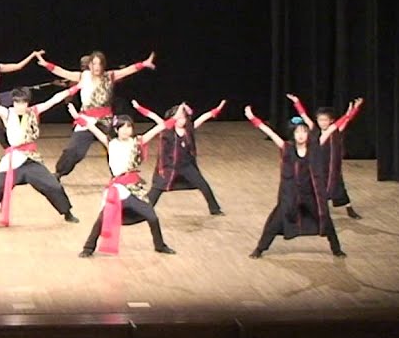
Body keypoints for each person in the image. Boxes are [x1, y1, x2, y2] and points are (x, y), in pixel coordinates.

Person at [0, 81, 82, 226]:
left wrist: (76, 87)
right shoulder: (7, 113)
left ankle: (67, 213)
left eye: (23, 103)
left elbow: (55, 99)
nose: (20, 106)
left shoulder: (34, 111)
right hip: (13, 160)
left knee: (53, 186)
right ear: (13, 102)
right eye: (17, 102)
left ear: (27, 103)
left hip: (31, 159)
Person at [245, 99, 357, 259]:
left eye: (304, 132)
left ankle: (336, 249)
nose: (301, 135)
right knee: (275, 223)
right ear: (293, 134)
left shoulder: (315, 146)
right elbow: (269, 132)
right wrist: (252, 117)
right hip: (289, 195)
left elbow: (333, 127)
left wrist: (348, 114)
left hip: (310, 194)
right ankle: (260, 249)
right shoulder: (286, 147)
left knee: (325, 219)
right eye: (298, 132)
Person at [73, 106, 175, 257]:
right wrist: (77, 115)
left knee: (152, 217)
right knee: (102, 219)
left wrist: (174, 118)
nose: (126, 130)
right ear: (117, 129)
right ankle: (88, 248)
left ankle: (160, 245)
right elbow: (92, 128)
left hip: (134, 189)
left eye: (129, 127)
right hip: (117, 189)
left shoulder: (137, 142)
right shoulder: (110, 143)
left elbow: (159, 128)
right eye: (123, 127)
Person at [38, 50, 157, 179]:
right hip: (86, 119)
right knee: (74, 150)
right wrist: (46, 64)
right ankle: (59, 173)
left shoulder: (109, 76)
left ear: (103, 65)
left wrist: (144, 64)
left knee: (115, 146)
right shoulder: (84, 76)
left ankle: (120, 175)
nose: (97, 67)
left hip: (106, 119)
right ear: (89, 65)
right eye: (94, 63)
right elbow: (63, 72)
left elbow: (128, 70)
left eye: (100, 64)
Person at [136, 100, 226, 215]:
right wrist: (138, 107)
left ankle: (214, 209)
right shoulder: (166, 129)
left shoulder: (189, 129)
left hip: (186, 166)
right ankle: (143, 210)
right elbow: (152, 115)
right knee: (156, 191)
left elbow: (204, 117)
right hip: (168, 167)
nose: (181, 121)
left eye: (183, 118)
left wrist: (218, 108)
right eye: (178, 118)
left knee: (203, 185)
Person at [290, 94, 365, 219]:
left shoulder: (336, 131)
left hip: (331, 167)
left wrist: (354, 109)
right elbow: (304, 116)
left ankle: (349, 209)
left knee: (339, 188)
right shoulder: (314, 130)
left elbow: (346, 120)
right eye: (320, 120)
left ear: (331, 120)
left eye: (325, 120)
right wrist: (297, 102)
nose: (322, 122)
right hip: (316, 166)